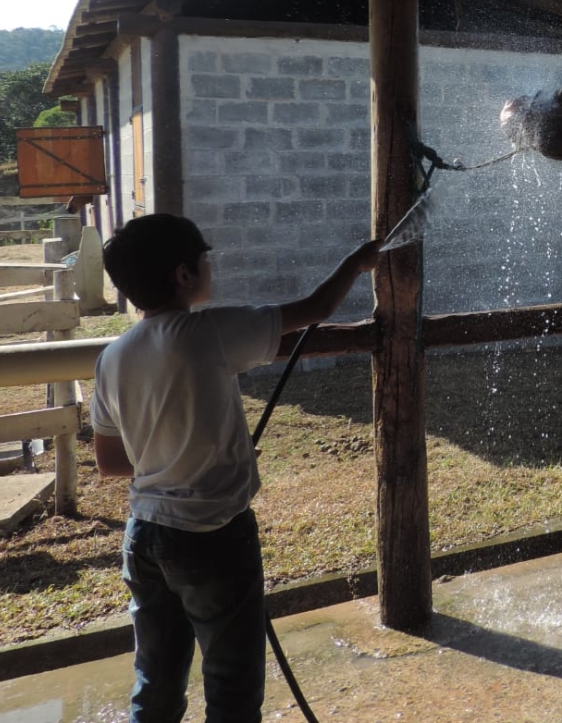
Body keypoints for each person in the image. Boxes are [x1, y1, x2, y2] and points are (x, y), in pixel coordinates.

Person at [91, 213, 380, 723]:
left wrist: (189, 446)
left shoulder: (111, 356)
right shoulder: (209, 330)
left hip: (144, 537)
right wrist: (356, 263)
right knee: (232, 689)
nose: (210, 267)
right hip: (211, 537)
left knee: (155, 682)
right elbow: (314, 309)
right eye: (205, 259)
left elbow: (112, 462)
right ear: (184, 275)